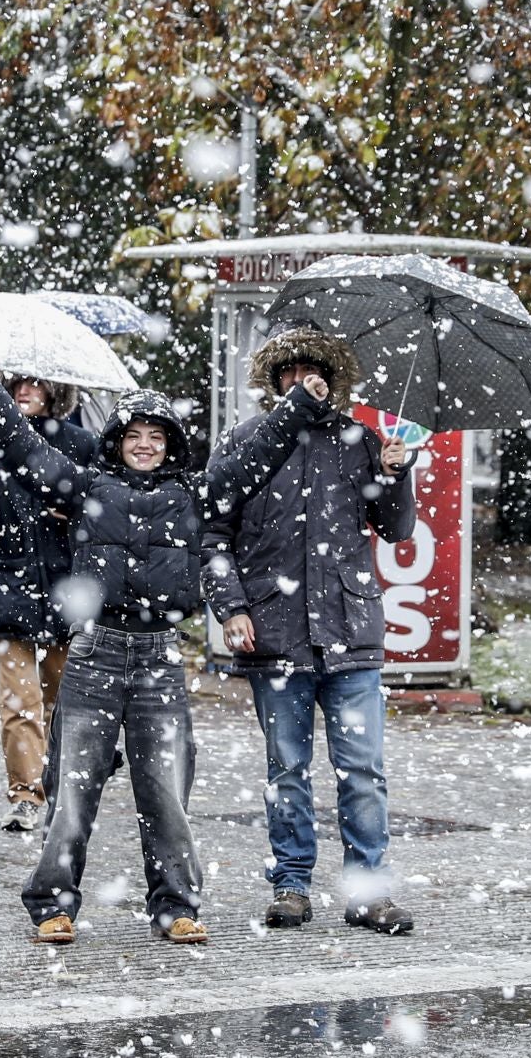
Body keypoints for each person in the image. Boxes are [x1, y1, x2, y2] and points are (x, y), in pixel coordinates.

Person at [0, 361, 322, 947]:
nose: (145, 446)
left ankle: (176, 904)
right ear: (117, 443)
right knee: (72, 790)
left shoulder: (195, 494)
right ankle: (53, 904)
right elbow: (24, 446)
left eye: (156, 436)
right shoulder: (87, 488)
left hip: (160, 660)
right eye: (133, 436)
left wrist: (301, 403)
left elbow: (255, 459)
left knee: (166, 792)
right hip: (94, 656)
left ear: (170, 444)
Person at [202, 318, 418, 936]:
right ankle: (292, 885)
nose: (302, 381)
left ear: (333, 377)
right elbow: (213, 536)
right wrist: (232, 607)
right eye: (290, 371)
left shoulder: (362, 440)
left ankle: (368, 892)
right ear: (274, 380)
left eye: (313, 370)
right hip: (274, 631)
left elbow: (396, 528)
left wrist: (397, 473)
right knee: (286, 772)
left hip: (351, 632)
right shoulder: (245, 441)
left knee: (364, 771)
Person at [0, 374, 97, 832]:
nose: (24, 392)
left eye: (34, 385)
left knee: (62, 702)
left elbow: (103, 513)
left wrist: (72, 515)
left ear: (56, 391)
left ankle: (60, 786)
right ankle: (26, 795)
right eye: (16, 386)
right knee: (20, 704)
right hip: (10, 589)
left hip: (66, 591)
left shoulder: (80, 444)